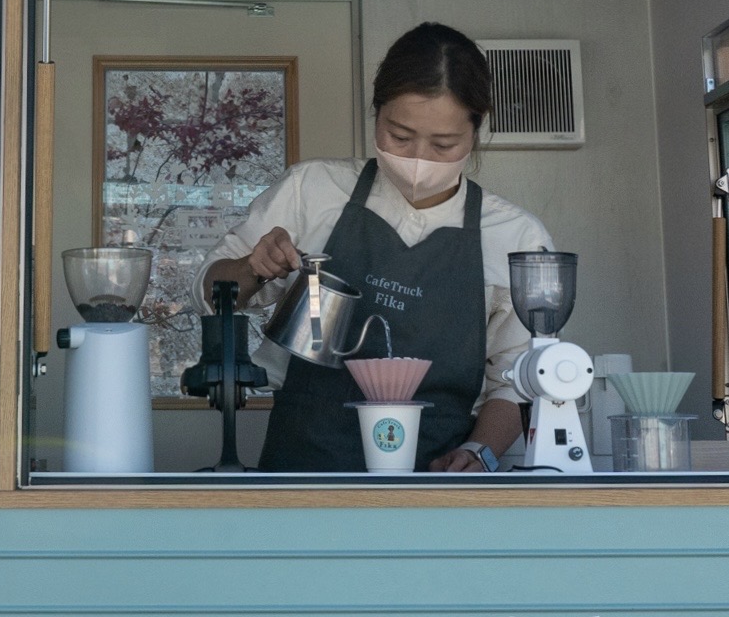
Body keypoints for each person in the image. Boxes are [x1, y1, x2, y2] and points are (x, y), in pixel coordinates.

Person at [200, 23, 554, 473]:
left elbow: (519, 380)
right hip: (302, 473)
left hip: (438, 485)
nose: (419, 160)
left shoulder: (516, 236)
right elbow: (210, 292)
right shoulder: (313, 190)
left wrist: (478, 453)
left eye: (444, 144)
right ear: (376, 111)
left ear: (476, 130)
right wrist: (253, 266)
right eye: (400, 136)